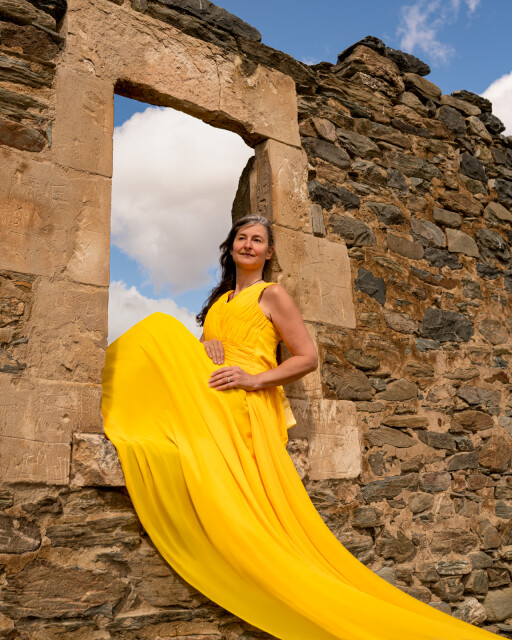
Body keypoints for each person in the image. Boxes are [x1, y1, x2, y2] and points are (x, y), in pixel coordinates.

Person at [101, 215, 499, 640]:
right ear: (230, 246)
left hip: (250, 397)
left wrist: (254, 379)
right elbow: (211, 355)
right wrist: (206, 344)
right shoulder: (219, 302)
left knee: (159, 327)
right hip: (217, 390)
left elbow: (307, 357)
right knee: (158, 332)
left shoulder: (271, 294)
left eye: (257, 240)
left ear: (269, 252)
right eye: (241, 238)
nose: (248, 244)